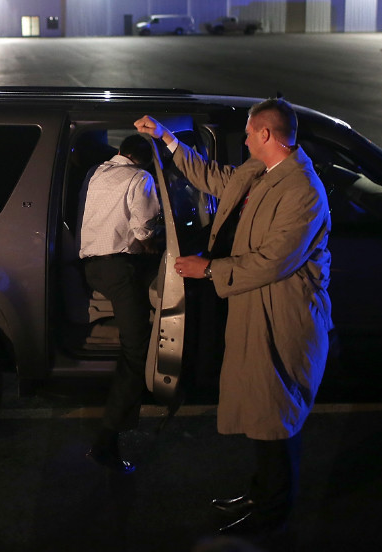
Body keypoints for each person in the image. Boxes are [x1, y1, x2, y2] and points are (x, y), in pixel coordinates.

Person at [135, 99, 331, 539]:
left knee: (276, 414)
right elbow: (213, 177)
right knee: (263, 411)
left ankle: (272, 513)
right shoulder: (260, 172)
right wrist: (167, 139)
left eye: (248, 132)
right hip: (255, 307)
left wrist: (208, 269)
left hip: (282, 316)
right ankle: (261, 494)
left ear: (266, 135)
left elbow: (273, 261)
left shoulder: (302, 190)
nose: (243, 140)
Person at [78, 134, 161, 473]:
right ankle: (106, 441)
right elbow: (143, 231)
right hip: (117, 269)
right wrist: (156, 248)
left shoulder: (96, 172)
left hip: (91, 268)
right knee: (137, 351)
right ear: (146, 158)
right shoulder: (140, 178)